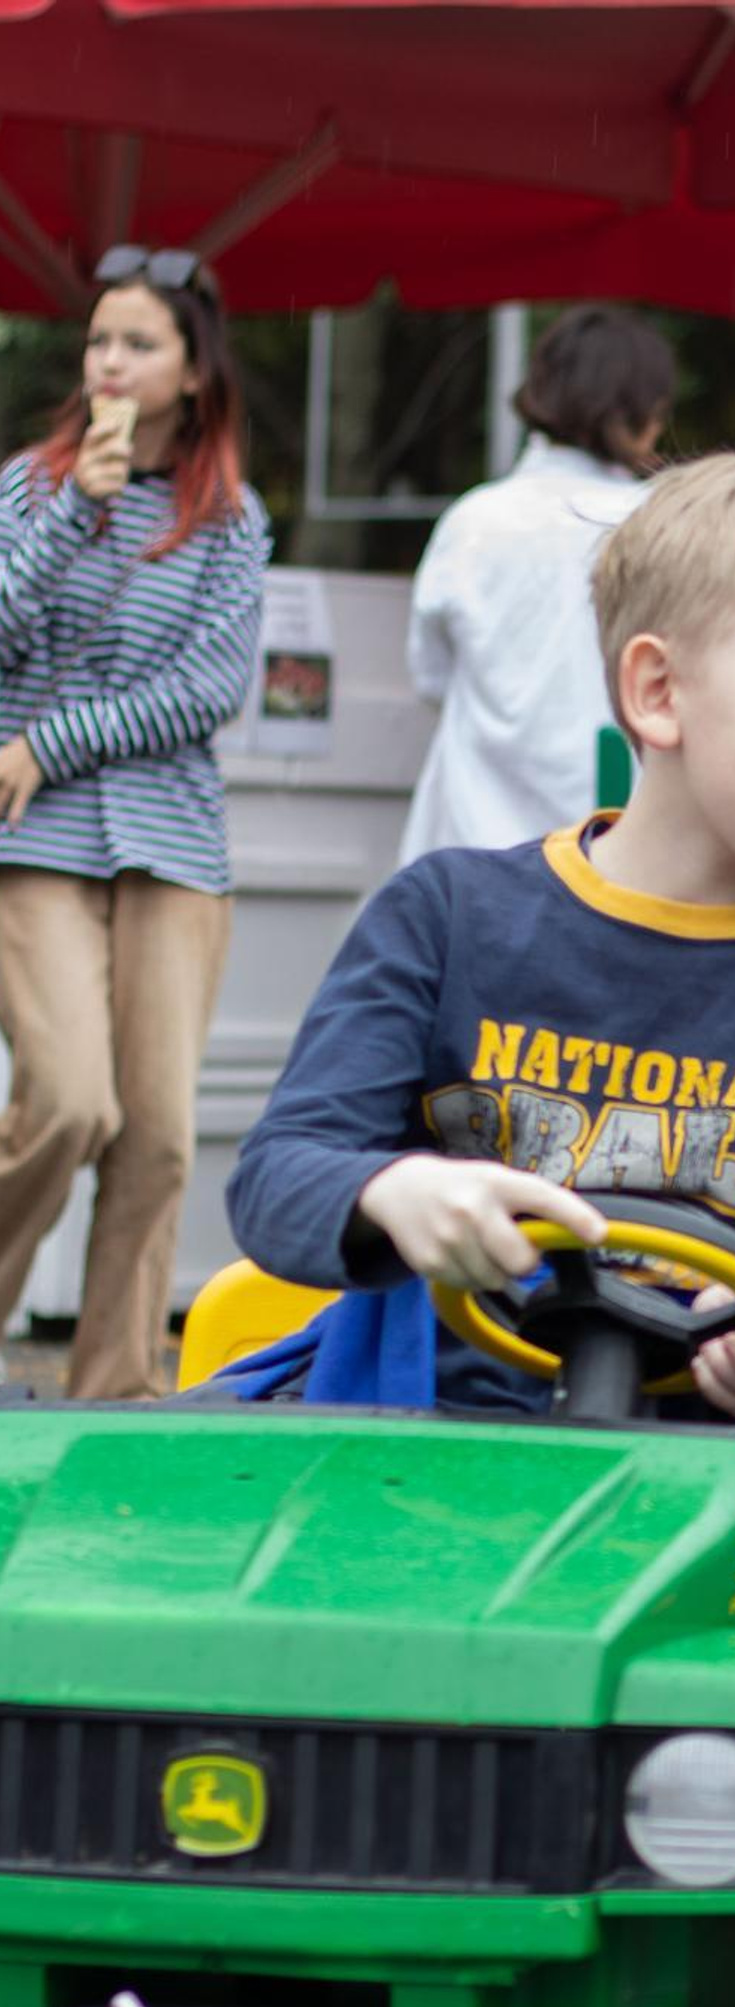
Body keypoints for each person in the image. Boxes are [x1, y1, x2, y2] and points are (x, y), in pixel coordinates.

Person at [223, 454, 735, 1661]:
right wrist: (395, 1189)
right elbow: (278, 1180)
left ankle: (728, 1808)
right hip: (415, 1458)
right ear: (658, 692)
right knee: (101, 1498)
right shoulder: (448, 916)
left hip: (720, 1511)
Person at [0, 245, 271, 1398]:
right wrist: (76, 516)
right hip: (34, 842)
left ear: (193, 374)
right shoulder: (29, 485)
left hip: (172, 843)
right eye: (100, 340)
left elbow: (212, 688)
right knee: (68, 1100)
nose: (110, 362)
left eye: (139, 343)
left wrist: (50, 740)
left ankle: (111, 1388)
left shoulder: (231, 516)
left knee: (157, 1136)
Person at [399, 305, 675, 863]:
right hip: (613, 841)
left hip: (472, 838)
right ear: (642, 409)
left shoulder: (474, 519)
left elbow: (430, 675)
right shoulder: (659, 522)